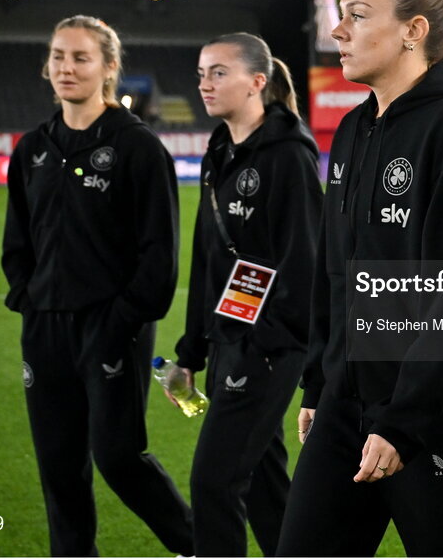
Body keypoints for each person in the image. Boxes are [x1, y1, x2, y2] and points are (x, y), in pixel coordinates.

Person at [276, 0, 443, 556]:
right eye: (341, 16)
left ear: (414, 31)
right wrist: (317, 382)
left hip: (433, 418)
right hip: (344, 402)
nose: (339, 31)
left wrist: (402, 421)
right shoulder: (354, 128)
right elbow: (335, 271)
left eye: (357, 16)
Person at [1, 15, 193, 556]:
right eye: (59, 56)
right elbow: (17, 239)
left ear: (109, 67)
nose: (66, 67)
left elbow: (159, 254)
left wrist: (121, 318)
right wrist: (28, 300)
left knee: (118, 458)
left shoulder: (137, 147)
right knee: (58, 468)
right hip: (45, 329)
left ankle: (199, 544)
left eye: (80, 57)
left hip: (114, 330)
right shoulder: (33, 148)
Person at [167, 33, 323, 556]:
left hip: (269, 346)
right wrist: (192, 350)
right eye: (201, 73)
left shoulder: (288, 156)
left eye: (218, 73)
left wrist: (271, 341)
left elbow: (304, 264)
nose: (204, 85)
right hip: (229, 337)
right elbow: (208, 257)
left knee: (214, 483)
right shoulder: (219, 148)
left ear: (258, 82)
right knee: (260, 484)